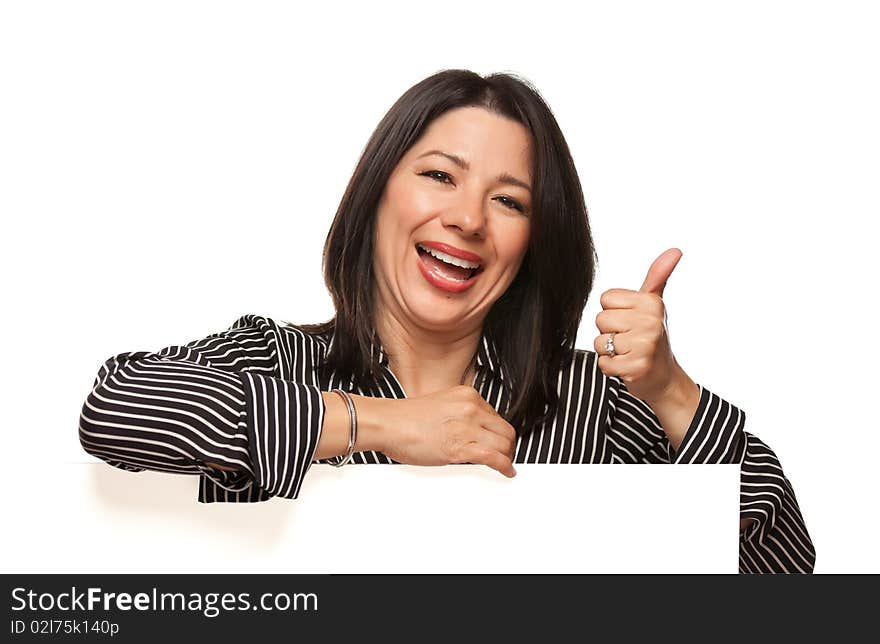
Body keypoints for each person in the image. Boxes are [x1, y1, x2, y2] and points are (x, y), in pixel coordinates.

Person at [79, 68, 815, 574]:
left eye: (509, 200)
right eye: (439, 176)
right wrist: (388, 426)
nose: (466, 219)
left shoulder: (591, 406)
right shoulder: (276, 360)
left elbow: (778, 576)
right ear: (378, 197)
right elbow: (114, 407)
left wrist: (674, 393)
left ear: (533, 241)